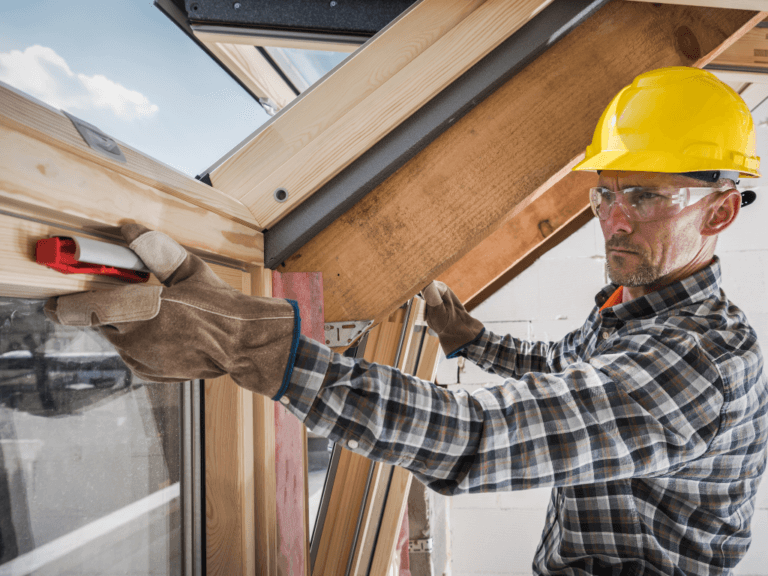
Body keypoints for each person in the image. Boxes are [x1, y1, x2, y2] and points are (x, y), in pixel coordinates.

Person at [45, 67, 767, 575]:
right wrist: (476, 341)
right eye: (604, 195)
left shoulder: (706, 361)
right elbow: (566, 375)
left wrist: (258, 346)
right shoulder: (631, 306)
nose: (613, 221)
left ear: (720, 210)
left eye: (643, 197)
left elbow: (485, 437)